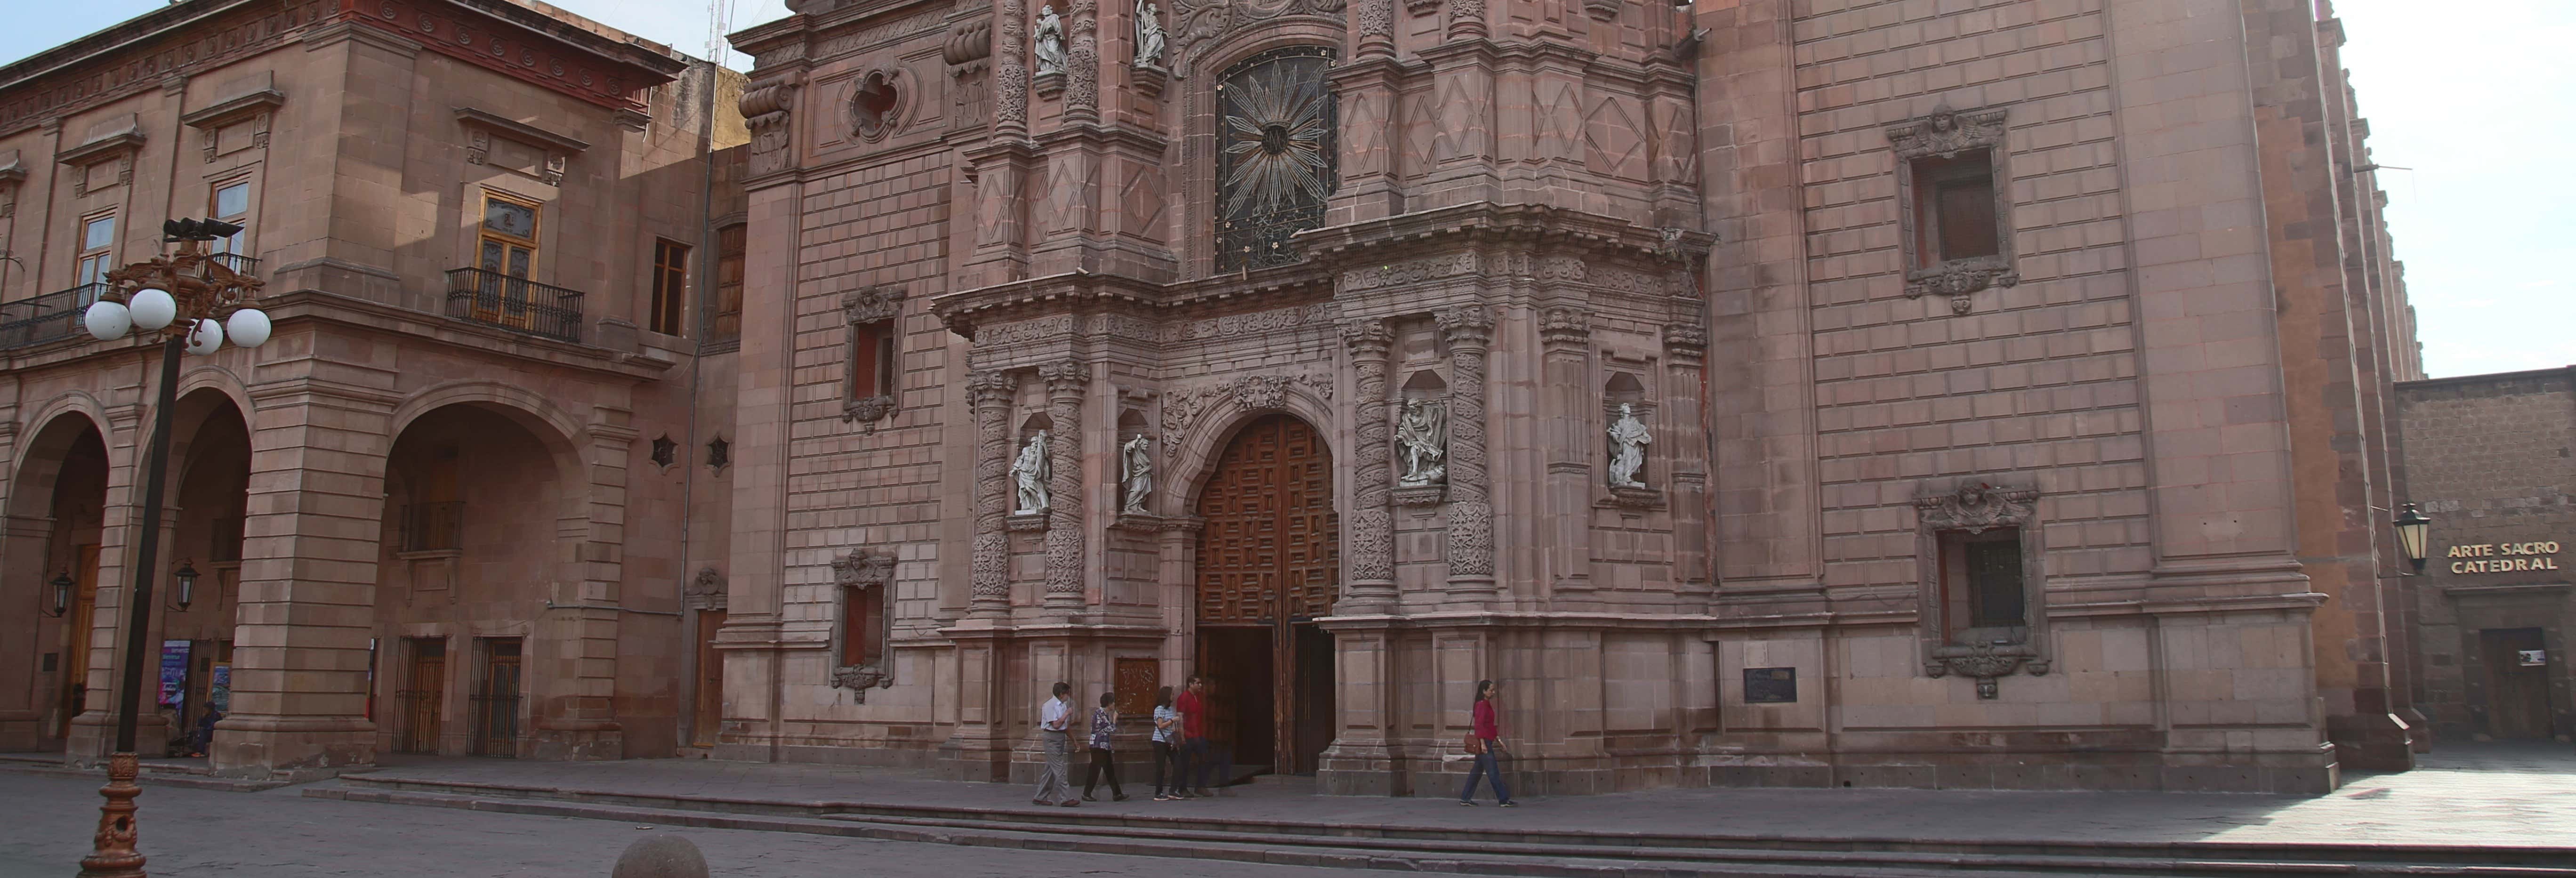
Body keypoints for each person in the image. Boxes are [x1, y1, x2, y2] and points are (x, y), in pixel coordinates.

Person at [1458, 679, 1516, 807]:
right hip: (1484, 744)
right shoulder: (1481, 705)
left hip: (1487, 741)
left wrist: (1499, 740)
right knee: (1493, 772)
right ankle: (1503, 799)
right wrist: (1483, 744)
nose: (1494, 692)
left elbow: (1489, 726)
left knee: (1476, 773)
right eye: (1491, 690)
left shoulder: (1486, 704)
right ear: (1484, 691)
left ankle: (1465, 798)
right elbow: (1479, 726)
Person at [1175, 676, 1231, 797]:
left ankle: (1201, 786)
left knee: (1206, 759)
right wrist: (1182, 736)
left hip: (1198, 736)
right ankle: (1182, 789)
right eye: (1198, 683)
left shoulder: (1198, 697)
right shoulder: (1184, 698)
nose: (1201, 686)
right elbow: (1180, 717)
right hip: (1188, 736)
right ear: (1191, 684)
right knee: (1185, 763)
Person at [1034, 681, 1079, 807]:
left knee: (1050, 769)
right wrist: (1067, 714)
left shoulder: (1063, 706)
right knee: (1059, 769)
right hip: (1051, 738)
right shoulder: (1050, 706)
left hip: (1060, 738)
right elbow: (1056, 725)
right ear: (1061, 694)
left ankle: (1040, 797)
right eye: (1067, 694)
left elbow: (1065, 727)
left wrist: (1074, 740)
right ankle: (1066, 798)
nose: (1068, 697)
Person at [1081, 691, 1130, 802]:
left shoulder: (1104, 714)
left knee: (1109, 769)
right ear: (1109, 704)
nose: (1114, 705)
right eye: (1113, 703)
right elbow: (1111, 729)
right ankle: (1086, 794)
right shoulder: (1099, 714)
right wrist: (1115, 719)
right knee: (1095, 769)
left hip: (1104, 746)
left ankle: (1117, 794)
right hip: (1098, 747)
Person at [1150, 685, 1184, 800]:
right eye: (1172, 694)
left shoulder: (1170, 709)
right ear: (1167, 696)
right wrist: (1172, 721)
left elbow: (1171, 728)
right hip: (1159, 740)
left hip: (1169, 740)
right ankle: (1158, 793)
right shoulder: (1160, 709)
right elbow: (1160, 725)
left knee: (1178, 763)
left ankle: (1173, 791)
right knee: (1161, 767)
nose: (1173, 696)